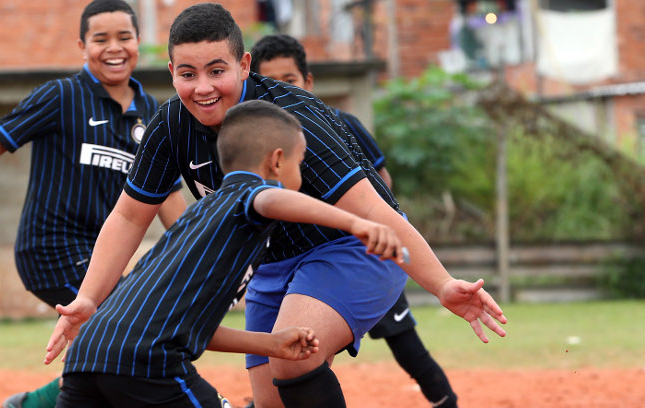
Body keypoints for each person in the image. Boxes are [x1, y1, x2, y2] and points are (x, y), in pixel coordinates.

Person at [49, 4, 507, 408]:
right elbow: (130, 214)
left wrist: (442, 283)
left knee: (296, 362)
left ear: (244, 64)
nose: (203, 88)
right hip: (272, 264)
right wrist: (88, 298)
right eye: (187, 74)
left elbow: (374, 212)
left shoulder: (292, 117)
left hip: (354, 246)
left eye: (217, 70)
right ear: (171, 72)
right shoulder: (171, 123)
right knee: (270, 399)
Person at [45, 100, 406, 408]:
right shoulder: (247, 197)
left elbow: (188, 328)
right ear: (276, 162)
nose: (302, 172)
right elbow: (270, 198)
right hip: (148, 363)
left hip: (88, 354)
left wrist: (271, 344)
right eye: (300, 161)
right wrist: (358, 223)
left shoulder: (199, 217)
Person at [0, 1, 183, 407]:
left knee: (114, 340)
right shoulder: (61, 96)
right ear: (82, 45)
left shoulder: (154, 113)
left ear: (139, 43)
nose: (113, 48)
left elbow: (167, 195)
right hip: (48, 250)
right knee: (126, 326)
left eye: (124, 37)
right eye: (101, 39)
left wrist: (202, 247)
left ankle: (34, 404)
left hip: (102, 257)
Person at [251, 33, 459, 408]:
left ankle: (448, 402)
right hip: (305, 269)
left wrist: (355, 221)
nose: (280, 92)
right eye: (270, 83)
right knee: (294, 365)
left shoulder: (338, 123)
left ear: (309, 83)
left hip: (362, 253)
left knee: (407, 345)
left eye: (290, 81)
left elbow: (379, 185)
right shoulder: (256, 139)